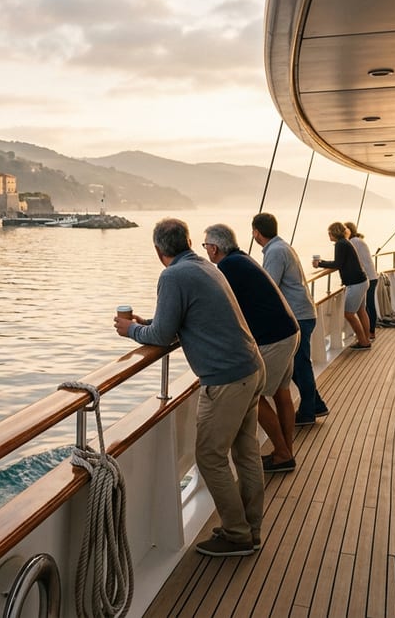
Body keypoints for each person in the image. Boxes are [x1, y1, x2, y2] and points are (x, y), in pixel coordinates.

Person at [114, 218, 265, 557]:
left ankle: (237, 534)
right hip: (251, 368)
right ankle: (251, 529)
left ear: (158, 250)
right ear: (189, 241)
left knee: (209, 457)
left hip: (226, 379)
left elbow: (162, 336)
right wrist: (147, 322)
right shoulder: (203, 267)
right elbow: (180, 318)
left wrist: (130, 330)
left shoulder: (172, 275)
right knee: (246, 452)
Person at [202, 223, 299, 473]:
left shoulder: (227, 267)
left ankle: (282, 453)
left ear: (213, 248)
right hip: (288, 330)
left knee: (252, 396)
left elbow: (217, 306)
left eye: (205, 246)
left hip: (273, 338)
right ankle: (285, 452)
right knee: (281, 392)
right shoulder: (242, 259)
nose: (205, 251)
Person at [252, 212, 330, 426]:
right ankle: (316, 405)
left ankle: (308, 413)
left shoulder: (275, 252)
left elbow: (269, 286)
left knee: (299, 365)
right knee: (298, 364)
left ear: (256, 232)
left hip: (298, 315)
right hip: (303, 312)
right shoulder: (282, 247)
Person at [313, 221, 372, 350]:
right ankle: (366, 338)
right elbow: (340, 262)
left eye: (329, 233)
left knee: (349, 313)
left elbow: (337, 264)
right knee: (361, 311)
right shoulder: (345, 243)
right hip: (362, 281)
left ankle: (363, 341)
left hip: (355, 284)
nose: (328, 235)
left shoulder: (340, 244)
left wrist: (320, 264)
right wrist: (322, 262)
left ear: (334, 233)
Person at [344, 221, 377, 340]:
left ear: (349, 230)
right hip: (370, 276)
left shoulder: (353, 242)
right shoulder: (357, 241)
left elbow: (347, 259)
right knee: (365, 307)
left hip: (368, 277)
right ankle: (368, 333)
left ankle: (371, 332)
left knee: (368, 306)